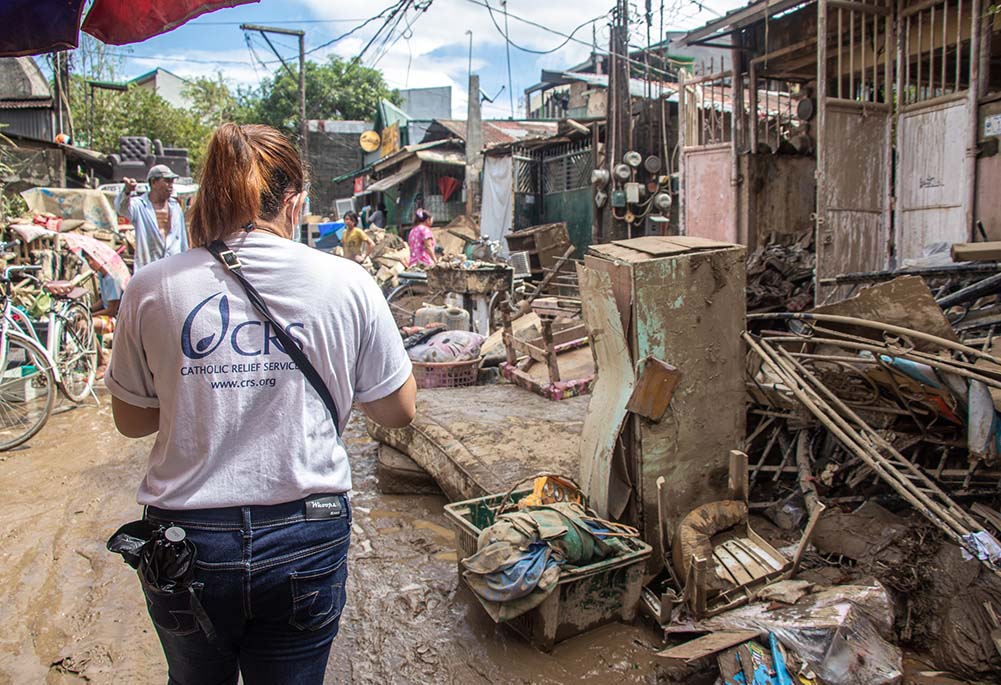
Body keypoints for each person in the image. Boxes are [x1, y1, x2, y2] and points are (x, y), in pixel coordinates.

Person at [105, 123, 416, 684]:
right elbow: (397, 411)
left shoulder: (151, 287)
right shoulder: (348, 282)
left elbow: (130, 420)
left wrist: (193, 389)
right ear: (294, 202)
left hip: (186, 542)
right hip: (307, 532)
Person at [116, 164, 188, 271]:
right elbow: (121, 209)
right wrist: (127, 191)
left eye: (172, 182)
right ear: (153, 182)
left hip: (173, 270)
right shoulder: (139, 206)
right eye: (167, 181)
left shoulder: (175, 207)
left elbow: (183, 241)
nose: (171, 186)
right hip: (148, 270)